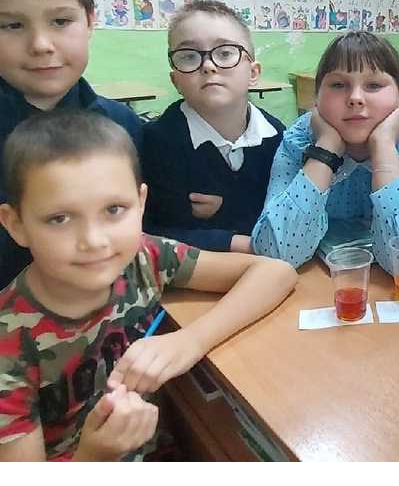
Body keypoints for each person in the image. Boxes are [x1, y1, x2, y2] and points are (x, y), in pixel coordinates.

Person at [0, 110, 296, 461]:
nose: (94, 240)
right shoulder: (9, 345)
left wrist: (190, 341)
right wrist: (96, 455)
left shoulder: (145, 257)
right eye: (59, 218)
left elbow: (276, 273)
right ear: (16, 225)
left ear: (140, 203)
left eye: (114, 209)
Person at [0, 0, 142, 288]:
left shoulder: (123, 125)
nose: (41, 44)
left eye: (61, 21)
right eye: (12, 25)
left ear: (90, 21)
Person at [251, 31, 399, 273]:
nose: (355, 98)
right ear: (317, 98)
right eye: (338, 85)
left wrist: (384, 147)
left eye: (373, 85)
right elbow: (275, 253)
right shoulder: (298, 142)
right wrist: (325, 149)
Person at [142, 0, 284, 253]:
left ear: (253, 73)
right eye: (189, 56)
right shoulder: (156, 142)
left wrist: (228, 206)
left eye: (225, 53)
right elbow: (152, 233)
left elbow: (285, 212)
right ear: (176, 81)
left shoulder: (279, 136)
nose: (208, 65)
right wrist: (239, 242)